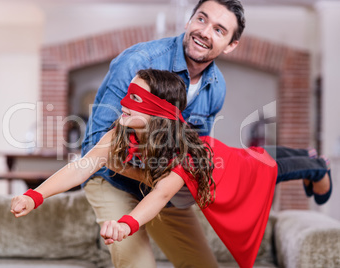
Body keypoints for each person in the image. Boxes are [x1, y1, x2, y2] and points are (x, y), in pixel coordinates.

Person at [11, 69, 332, 268]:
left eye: (136, 99)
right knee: (264, 155)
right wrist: (35, 196)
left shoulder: (180, 154)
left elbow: (159, 196)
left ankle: (316, 166)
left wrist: (126, 224)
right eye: (128, 94)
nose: (125, 102)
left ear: (159, 113)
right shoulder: (119, 133)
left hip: (229, 171)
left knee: (271, 166)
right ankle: (309, 158)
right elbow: (81, 168)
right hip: (219, 167)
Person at [80, 0, 245, 266]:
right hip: (111, 178)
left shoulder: (216, 88)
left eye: (219, 30)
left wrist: (173, 186)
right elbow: (93, 146)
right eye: (201, 19)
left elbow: (193, 154)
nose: (204, 31)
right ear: (189, 20)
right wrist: (159, 180)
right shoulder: (138, 62)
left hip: (160, 187)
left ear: (230, 45)